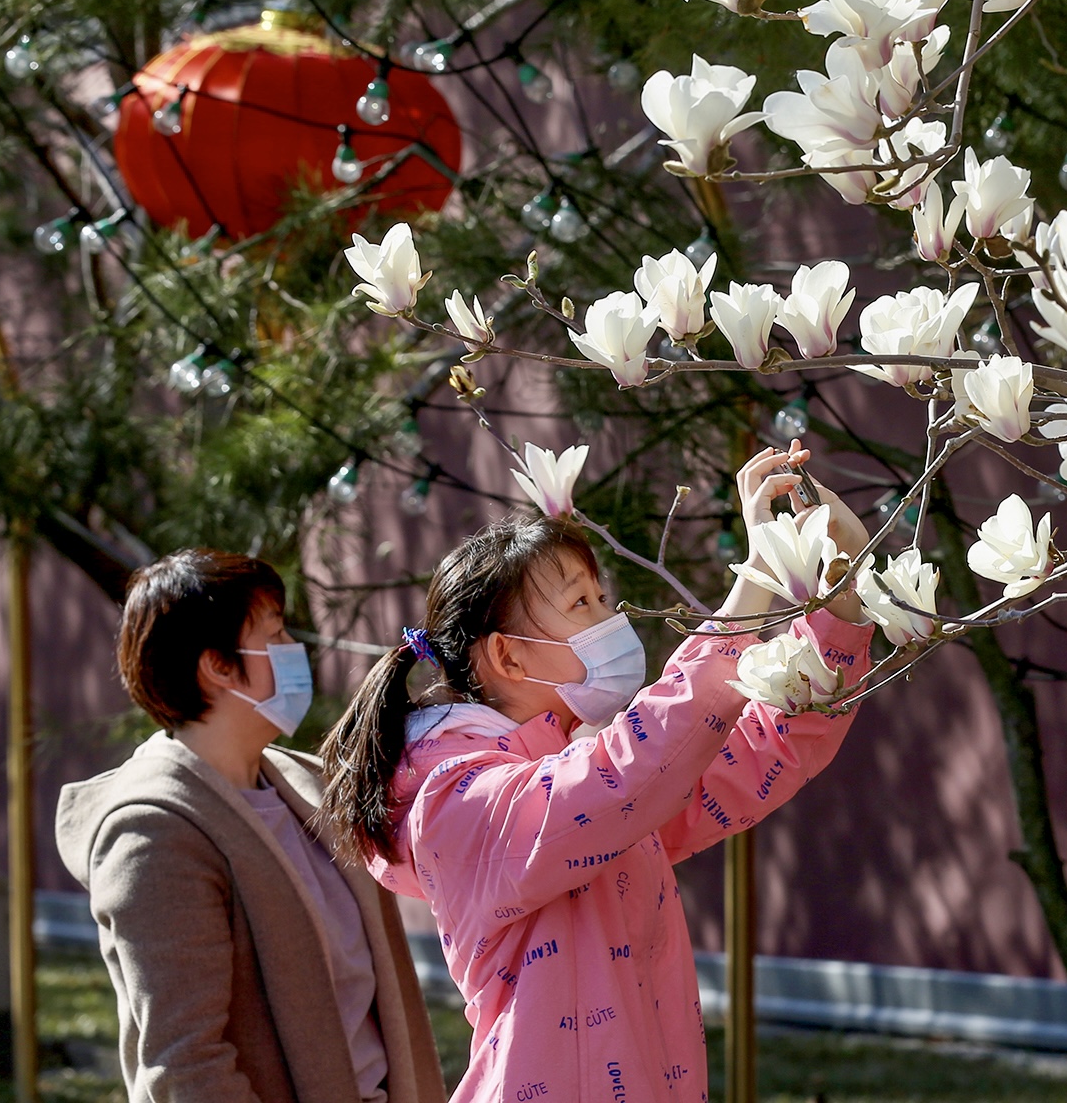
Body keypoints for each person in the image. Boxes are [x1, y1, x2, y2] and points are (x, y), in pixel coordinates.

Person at [315, 442, 874, 1103]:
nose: (611, 618)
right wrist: (758, 574)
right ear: (509, 658)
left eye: (601, 596)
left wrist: (839, 599)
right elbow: (628, 771)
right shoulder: (455, 799)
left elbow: (755, 755)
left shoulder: (585, 772)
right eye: (581, 602)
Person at [54, 550, 446, 1103]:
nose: (295, 649)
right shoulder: (153, 836)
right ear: (217, 665)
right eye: (275, 633)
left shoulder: (309, 786)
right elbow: (186, 1064)